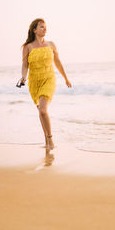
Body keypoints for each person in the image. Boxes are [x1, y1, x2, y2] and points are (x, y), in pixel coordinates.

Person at [20, 18, 72, 150]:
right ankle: (46, 141)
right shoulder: (28, 47)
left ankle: (50, 140)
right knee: (41, 112)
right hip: (34, 82)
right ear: (34, 30)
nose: (45, 29)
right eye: (41, 27)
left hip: (49, 79)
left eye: (45, 27)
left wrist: (66, 78)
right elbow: (25, 65)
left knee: (43, 110)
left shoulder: (51, 44)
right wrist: (23, 77)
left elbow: (58, 63)